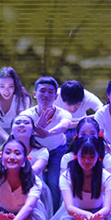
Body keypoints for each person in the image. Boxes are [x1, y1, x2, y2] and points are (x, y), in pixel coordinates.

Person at [44, 135, 111, 220]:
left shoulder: (107, 178)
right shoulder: (66, 176)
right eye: (83, 156)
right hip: (75, 215)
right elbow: (69, 208)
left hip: (98, 216)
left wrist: (90, 218)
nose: (87, 161)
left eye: (91, 157)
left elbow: (107, 209)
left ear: (98, 156)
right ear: (76, 155)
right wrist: (85, 216)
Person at [19, 76, 72, 212]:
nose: (46, 95)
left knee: (54, 182)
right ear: (35, 94)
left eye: (50, 92)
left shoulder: (63, 113)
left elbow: (65, 125)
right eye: (42, 91)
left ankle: (53, 215)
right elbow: (19, 132)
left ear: (56, 96)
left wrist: (47, 133)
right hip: (34, 151)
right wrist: (36, 127)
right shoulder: (26, 114)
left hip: (57, 151)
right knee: (36, 182)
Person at [8, 114, 52, 217]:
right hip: (9, 190)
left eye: (26, 123)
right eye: (18, 123)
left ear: (33, 131)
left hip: (34, 189)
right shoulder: (3, 152)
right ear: (11, 131)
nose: (22, 125)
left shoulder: (42, 151)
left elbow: (36, 169)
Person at [0, 67, 32, 143]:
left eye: (10, 86)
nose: (6, 91)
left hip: (16, 134)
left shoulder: (22, 99)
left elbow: (21, 121)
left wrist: (13, 139)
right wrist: (7, 138)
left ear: (15, 85)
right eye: (2, 86)